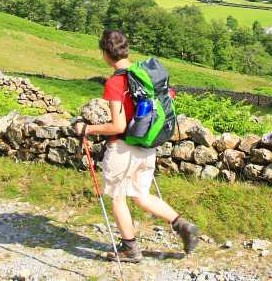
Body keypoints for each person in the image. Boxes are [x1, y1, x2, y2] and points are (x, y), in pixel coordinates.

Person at [74, 29, 200, 262]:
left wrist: (87, 129)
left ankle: (130, 249)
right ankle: (182, 225)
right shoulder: (144, 74)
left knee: (118, 198)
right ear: (126, 49)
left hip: (123, 149)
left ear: (105, 54)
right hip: (147, 147)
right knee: (141, 195)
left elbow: (118, 126)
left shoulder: (116, 82)